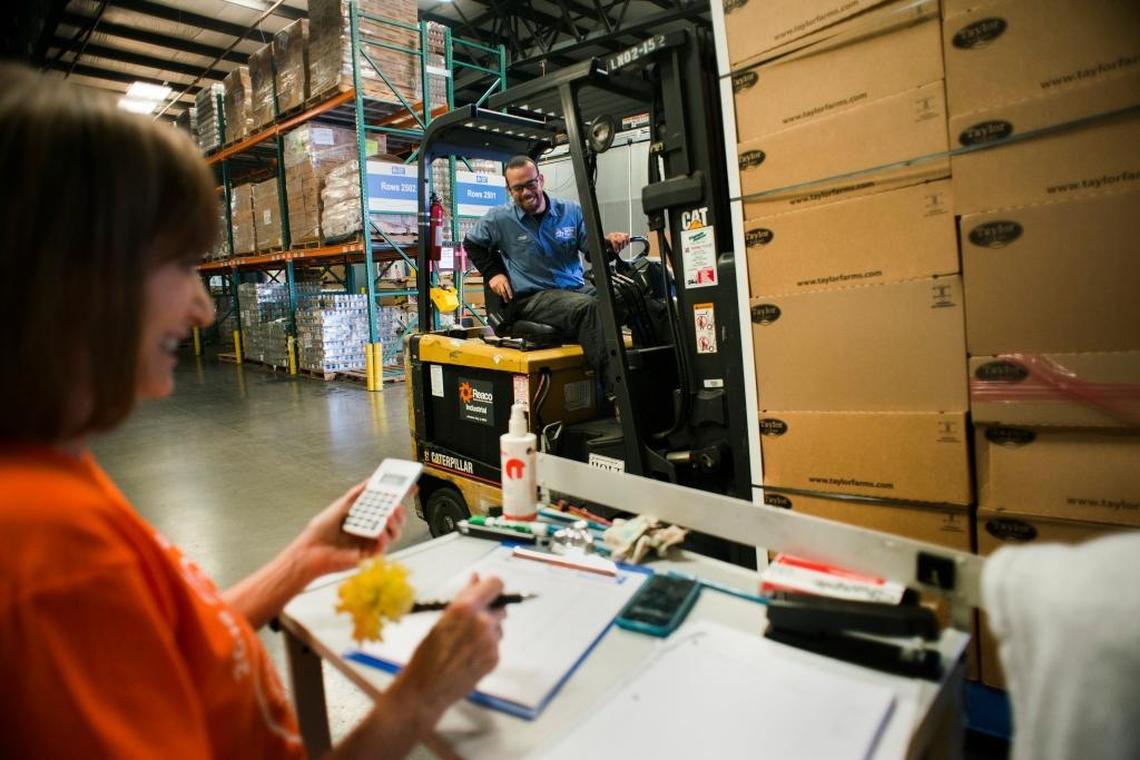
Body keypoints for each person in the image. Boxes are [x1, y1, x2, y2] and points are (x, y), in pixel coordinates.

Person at [0, 64, 505, 758]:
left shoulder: (51, 476)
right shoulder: (48, 556)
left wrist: (299, 563)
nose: (204, 307)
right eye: (180, 266)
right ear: (74, 280)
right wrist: (419, 696)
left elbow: (166, 650)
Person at [463, 155, 630, 387]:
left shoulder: (570, 211)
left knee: (630, 295)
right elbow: (472, 243)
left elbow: (591, 251)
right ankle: (619, 393)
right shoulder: (499, 219)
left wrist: (609, 243)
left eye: (530, 184)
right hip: (534, 297)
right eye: (518, 188)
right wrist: (494, 273)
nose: (526, 192)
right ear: (509, 190)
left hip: (575, 288)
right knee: (588, 309)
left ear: (540, 180)